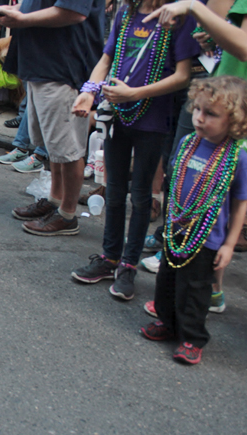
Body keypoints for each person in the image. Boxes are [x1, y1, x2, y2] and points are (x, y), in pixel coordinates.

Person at [69, 0, 200, 300]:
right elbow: (106, 58)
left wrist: (134, 93)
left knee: (141, 195)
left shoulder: (177, 18)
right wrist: (89, 92)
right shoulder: (126, 14)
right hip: (118, 115)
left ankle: (129, 264)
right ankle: (109, 258)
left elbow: (182, 76)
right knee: (112, 190)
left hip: (153, 120)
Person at [139, 76, 247, 365]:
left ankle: (192, 337)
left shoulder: (238, 159)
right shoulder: (187, 143)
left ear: (236, 121)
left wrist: (229, 244)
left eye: (211, 114)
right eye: (197, 110)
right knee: (167, 281)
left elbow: (241, 203)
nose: (200, 118)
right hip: (175, 228)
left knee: (194, 289)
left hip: (206, 238)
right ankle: (168, 323)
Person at [0, 0, 103, 237]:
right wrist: (15, 10)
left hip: (63, 64)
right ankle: (55, 200)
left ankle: (67, 215)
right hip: (42, 61)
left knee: (68, 147)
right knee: (54, 145)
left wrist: (21, 18)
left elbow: (74, 11)